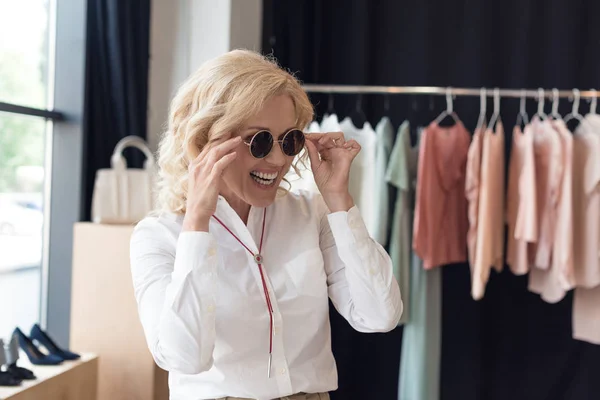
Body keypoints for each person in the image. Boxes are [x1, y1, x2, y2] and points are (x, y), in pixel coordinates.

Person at [129, 49, 402, 400]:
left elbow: (379, 315)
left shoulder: (312, 213)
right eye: (259, 141)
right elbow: (185, 356)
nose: (277, 159)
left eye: (289, 140)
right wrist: (197, 223)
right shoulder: (158, 236)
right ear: (204, 140)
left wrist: (338, 199)